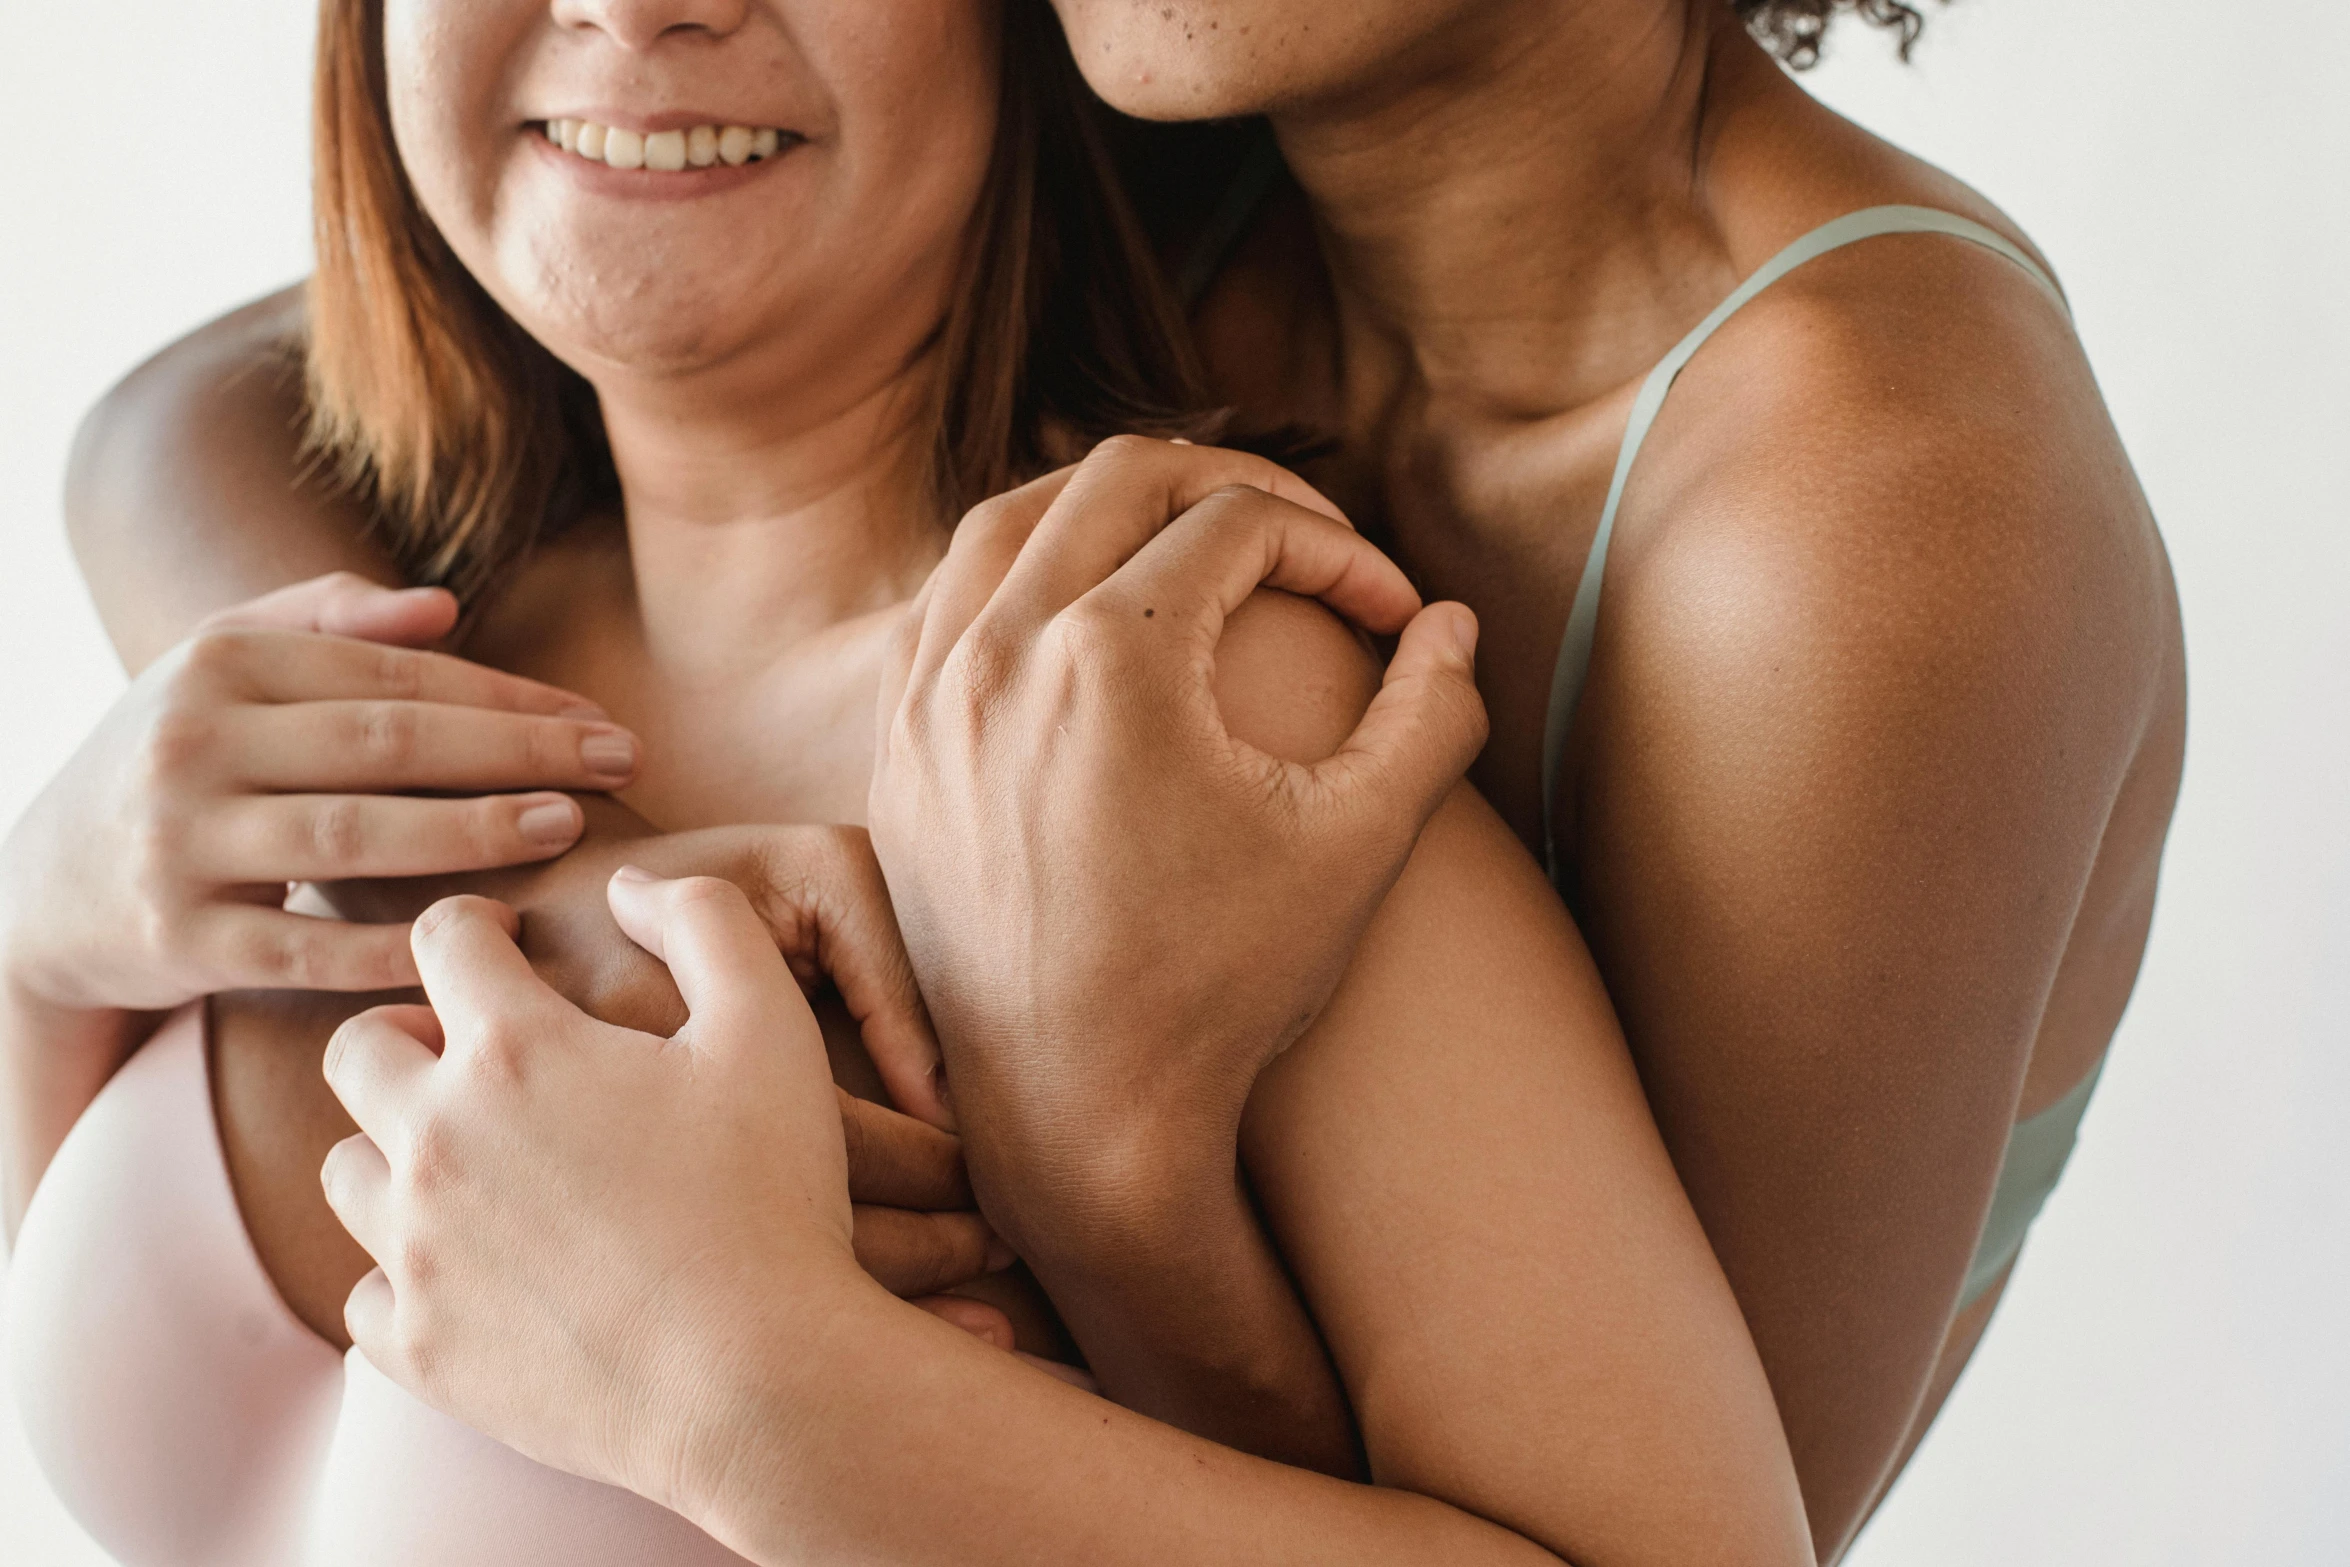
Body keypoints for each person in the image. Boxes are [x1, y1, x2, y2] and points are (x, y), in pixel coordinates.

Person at [43, 0, 2185, 1558]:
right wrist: (550, 887)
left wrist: (1085, 1169)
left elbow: (1677, 1519)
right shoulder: (1165, 85)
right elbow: (222, 391)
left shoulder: (1856, 521)